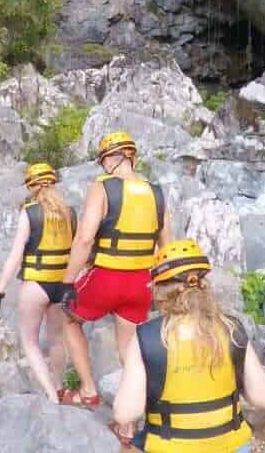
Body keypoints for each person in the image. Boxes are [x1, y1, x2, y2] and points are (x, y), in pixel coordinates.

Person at [112, 239, 265, 452]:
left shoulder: (149, 336)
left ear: (159, 293)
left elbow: (125, 413)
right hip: (230, 445)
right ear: (204, 286)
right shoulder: (231, 329)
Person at [58, 131, 172, 407]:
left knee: (69, 320)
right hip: (141, 283)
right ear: (132, 156)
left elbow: (85, 238)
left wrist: (68, 281)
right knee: (129, 351)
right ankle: (130, 422)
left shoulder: (103, 186)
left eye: (103, 160)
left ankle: (87, 390)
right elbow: (167, 246)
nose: (104, 166)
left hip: (107, 276)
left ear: (111, 158)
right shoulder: (156, 192)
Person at [0, 163, 76, 403]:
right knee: (57, 339)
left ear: (31, 187)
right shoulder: (69, 211)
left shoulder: (30, 211)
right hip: (62, 285)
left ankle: (50, 394)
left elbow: (16, 255)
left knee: (30, 341)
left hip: (36, 284)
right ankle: (59, 386)